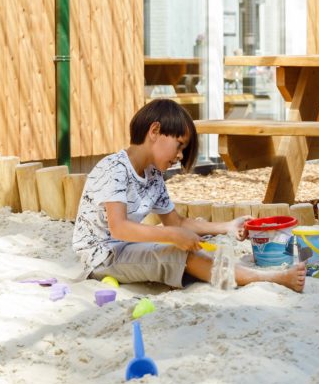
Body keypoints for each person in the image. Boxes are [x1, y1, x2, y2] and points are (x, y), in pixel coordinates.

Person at [71, 99, 306, 292]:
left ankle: (247, 274)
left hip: (127, 248)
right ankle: (269, 278)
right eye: (180, 145)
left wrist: (227, 227)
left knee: (191, 249)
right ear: (155, 131)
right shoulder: (113, 169)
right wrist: (171, 235)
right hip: (102, 258)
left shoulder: (153, 175)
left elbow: (178, 222)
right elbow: (119, 228)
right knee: (182, 254)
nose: (181, 156)